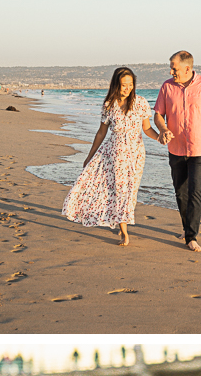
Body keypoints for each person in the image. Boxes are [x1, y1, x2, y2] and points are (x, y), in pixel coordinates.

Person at [62, 67, 160, 246]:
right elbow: (101, 133)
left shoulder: (140, 102)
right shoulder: (109, 105)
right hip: (115, 154)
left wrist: (160, 137)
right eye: (124, 85)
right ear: (116, 85)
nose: (127, 88)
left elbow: (146, 128)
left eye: (130, 85)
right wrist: (89, 156)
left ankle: (118, 220)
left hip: (136, 156)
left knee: (131, 193)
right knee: (121, 191)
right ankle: (124, 232)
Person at [153, 51, 201, 254]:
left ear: (187, 68)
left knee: (195, 191)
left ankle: (191, 236)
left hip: (200, 147)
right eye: (171, 68)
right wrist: (163, 129)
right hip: (175, 148)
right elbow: (158, 114)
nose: (171, 71)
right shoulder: (167, 87)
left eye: (174, 68)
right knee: (180, 192)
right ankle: (187, 228)